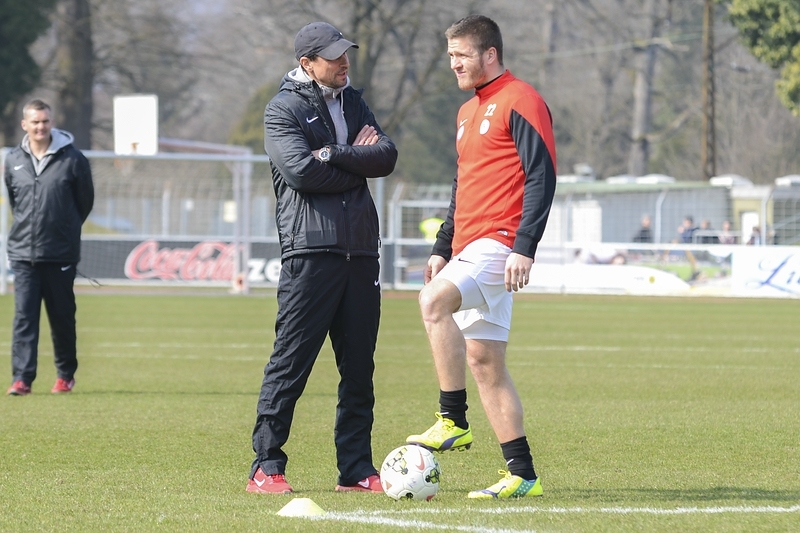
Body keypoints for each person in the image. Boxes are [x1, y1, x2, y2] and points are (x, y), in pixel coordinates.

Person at [405, 15, 556, 499]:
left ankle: (452, 419)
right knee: (485, 361)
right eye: (450, 56)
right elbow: (462, 184)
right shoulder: (467, 111)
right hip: (469, 246)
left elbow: (542, 175)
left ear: (490, 54)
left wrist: (525, 247)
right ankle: (523, 474)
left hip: (500, 242)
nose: (454, 64)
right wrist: (442, 246)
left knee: (432, 302)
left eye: (462, 55)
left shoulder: (521, 99)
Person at [247, 22, 397, 494]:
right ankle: (266, 466)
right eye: (334, 56)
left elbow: (386, 156)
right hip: (310, 253)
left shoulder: (354, 102)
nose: (344, 61)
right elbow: (302, 173)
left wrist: (332, 153)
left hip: (361, 252)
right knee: (291, 363)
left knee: (359, 370)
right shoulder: (282, 109)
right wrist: (355, 163)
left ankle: (355, 469)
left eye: (345, 52)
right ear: (307, 64)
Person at [4, 99, 94, 396]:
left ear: (51, 123)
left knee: (62, 317)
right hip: (23, 254)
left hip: (60, 254)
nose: (40, 127)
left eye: (45, 121)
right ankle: (22, 379)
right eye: (35, 122)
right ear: (25, 125)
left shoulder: (74, 159)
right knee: (24, 318)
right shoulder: (13, 160)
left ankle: (65, 375)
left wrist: (64, 230)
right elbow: (16, 202)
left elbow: (84, 203)